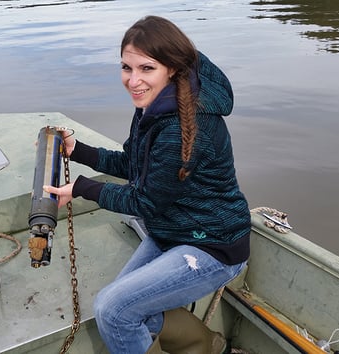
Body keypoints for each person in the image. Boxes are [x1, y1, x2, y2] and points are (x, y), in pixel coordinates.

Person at [44, 15, 250, 354]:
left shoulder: (180, 126)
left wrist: (82, 188)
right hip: (174, 231)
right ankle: (212, 346)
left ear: (172, 68)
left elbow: (146, 202)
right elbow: (132, 164)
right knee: (126, 309)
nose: (133, 80)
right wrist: (77, 150)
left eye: (146, 68)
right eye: (126, 67)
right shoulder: (155, 107)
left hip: (213, 246)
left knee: (114, 310)